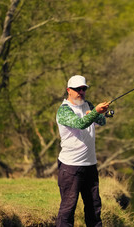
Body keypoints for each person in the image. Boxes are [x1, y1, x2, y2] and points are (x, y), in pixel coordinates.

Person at [55, 75, 110, 227]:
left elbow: (102, 121)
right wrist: (94, 113)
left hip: (90, 165)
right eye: (77, 89)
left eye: (83, 89)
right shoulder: (63, 110)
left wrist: (99, 112)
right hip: (71, 167)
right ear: (68, 90)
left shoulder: (88, 105)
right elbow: (79, 124)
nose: (81, 91)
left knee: (94, 207)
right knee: (68, 209)